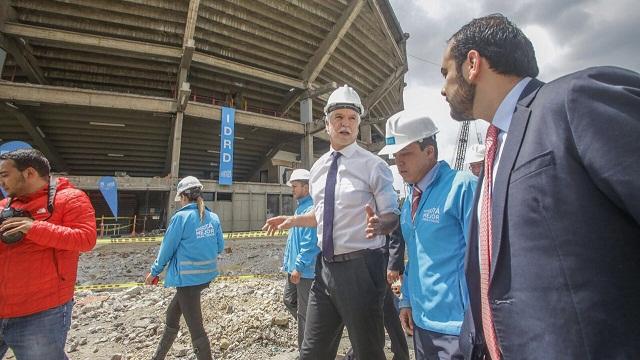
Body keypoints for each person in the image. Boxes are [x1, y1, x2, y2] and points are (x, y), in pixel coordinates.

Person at [440, 13, 640, 360]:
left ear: (472, 63)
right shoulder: (494, 152)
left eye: (445, 73)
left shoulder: (573, 101)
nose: (442, 89)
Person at [263, 85, 399, 360]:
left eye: (351, 118)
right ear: (327, 124)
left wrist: (380, 225)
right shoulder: (319, 168)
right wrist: (292, 220)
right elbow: (322, 217)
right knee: (311, 353)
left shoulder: (373, 166)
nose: (345, 123)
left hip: (361, 269)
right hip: (324, 271)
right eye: (338, 117)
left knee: (369, 353)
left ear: (359, 125)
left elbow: (391, 214)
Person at [379, 111, 477, 360]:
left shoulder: (462, 187)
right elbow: (416, 256)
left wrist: (476, 319)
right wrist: (407, 300)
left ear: (430, 151)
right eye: (395, 156)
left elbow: (484, 258)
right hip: (422, 323)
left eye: (406, 154)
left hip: (458, 326)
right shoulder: (411, 197)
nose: (398, 163)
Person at [0, 149, 97, 359]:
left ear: (29, 173)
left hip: (40, 312)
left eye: (5, 175)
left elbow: (86, 238)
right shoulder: (5, 206)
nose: (2, 181)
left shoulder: (71, 199)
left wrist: (33, 228)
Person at [145, 176, 224, 360]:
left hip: (188, 280)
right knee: (172, 314)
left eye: (180, 198)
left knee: (196, 329)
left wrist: (154, 272)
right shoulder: (213, 217)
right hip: (205, 275)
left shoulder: (180, 218)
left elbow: (167, 249)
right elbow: (219, 246)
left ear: (184, 197)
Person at [344, 225, 411, 360]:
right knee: (381, 312)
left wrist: (394, 265)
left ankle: (399, 353)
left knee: (379, 312)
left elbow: (395, 230)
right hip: (365, 264)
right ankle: (399, 353)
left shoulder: (381, 204)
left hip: (380, 264)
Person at [281, 168, 320, 351]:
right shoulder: (300, 207)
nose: (293, 190)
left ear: (306, 187)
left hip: (305, 271)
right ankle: (316, 328)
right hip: (294, 268)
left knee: (304, 313)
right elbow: (293, 240)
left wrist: (298, 266)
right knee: (289, 300)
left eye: (295, 186)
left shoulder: (312, 208)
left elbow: (310, 243)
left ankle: (307, 351)